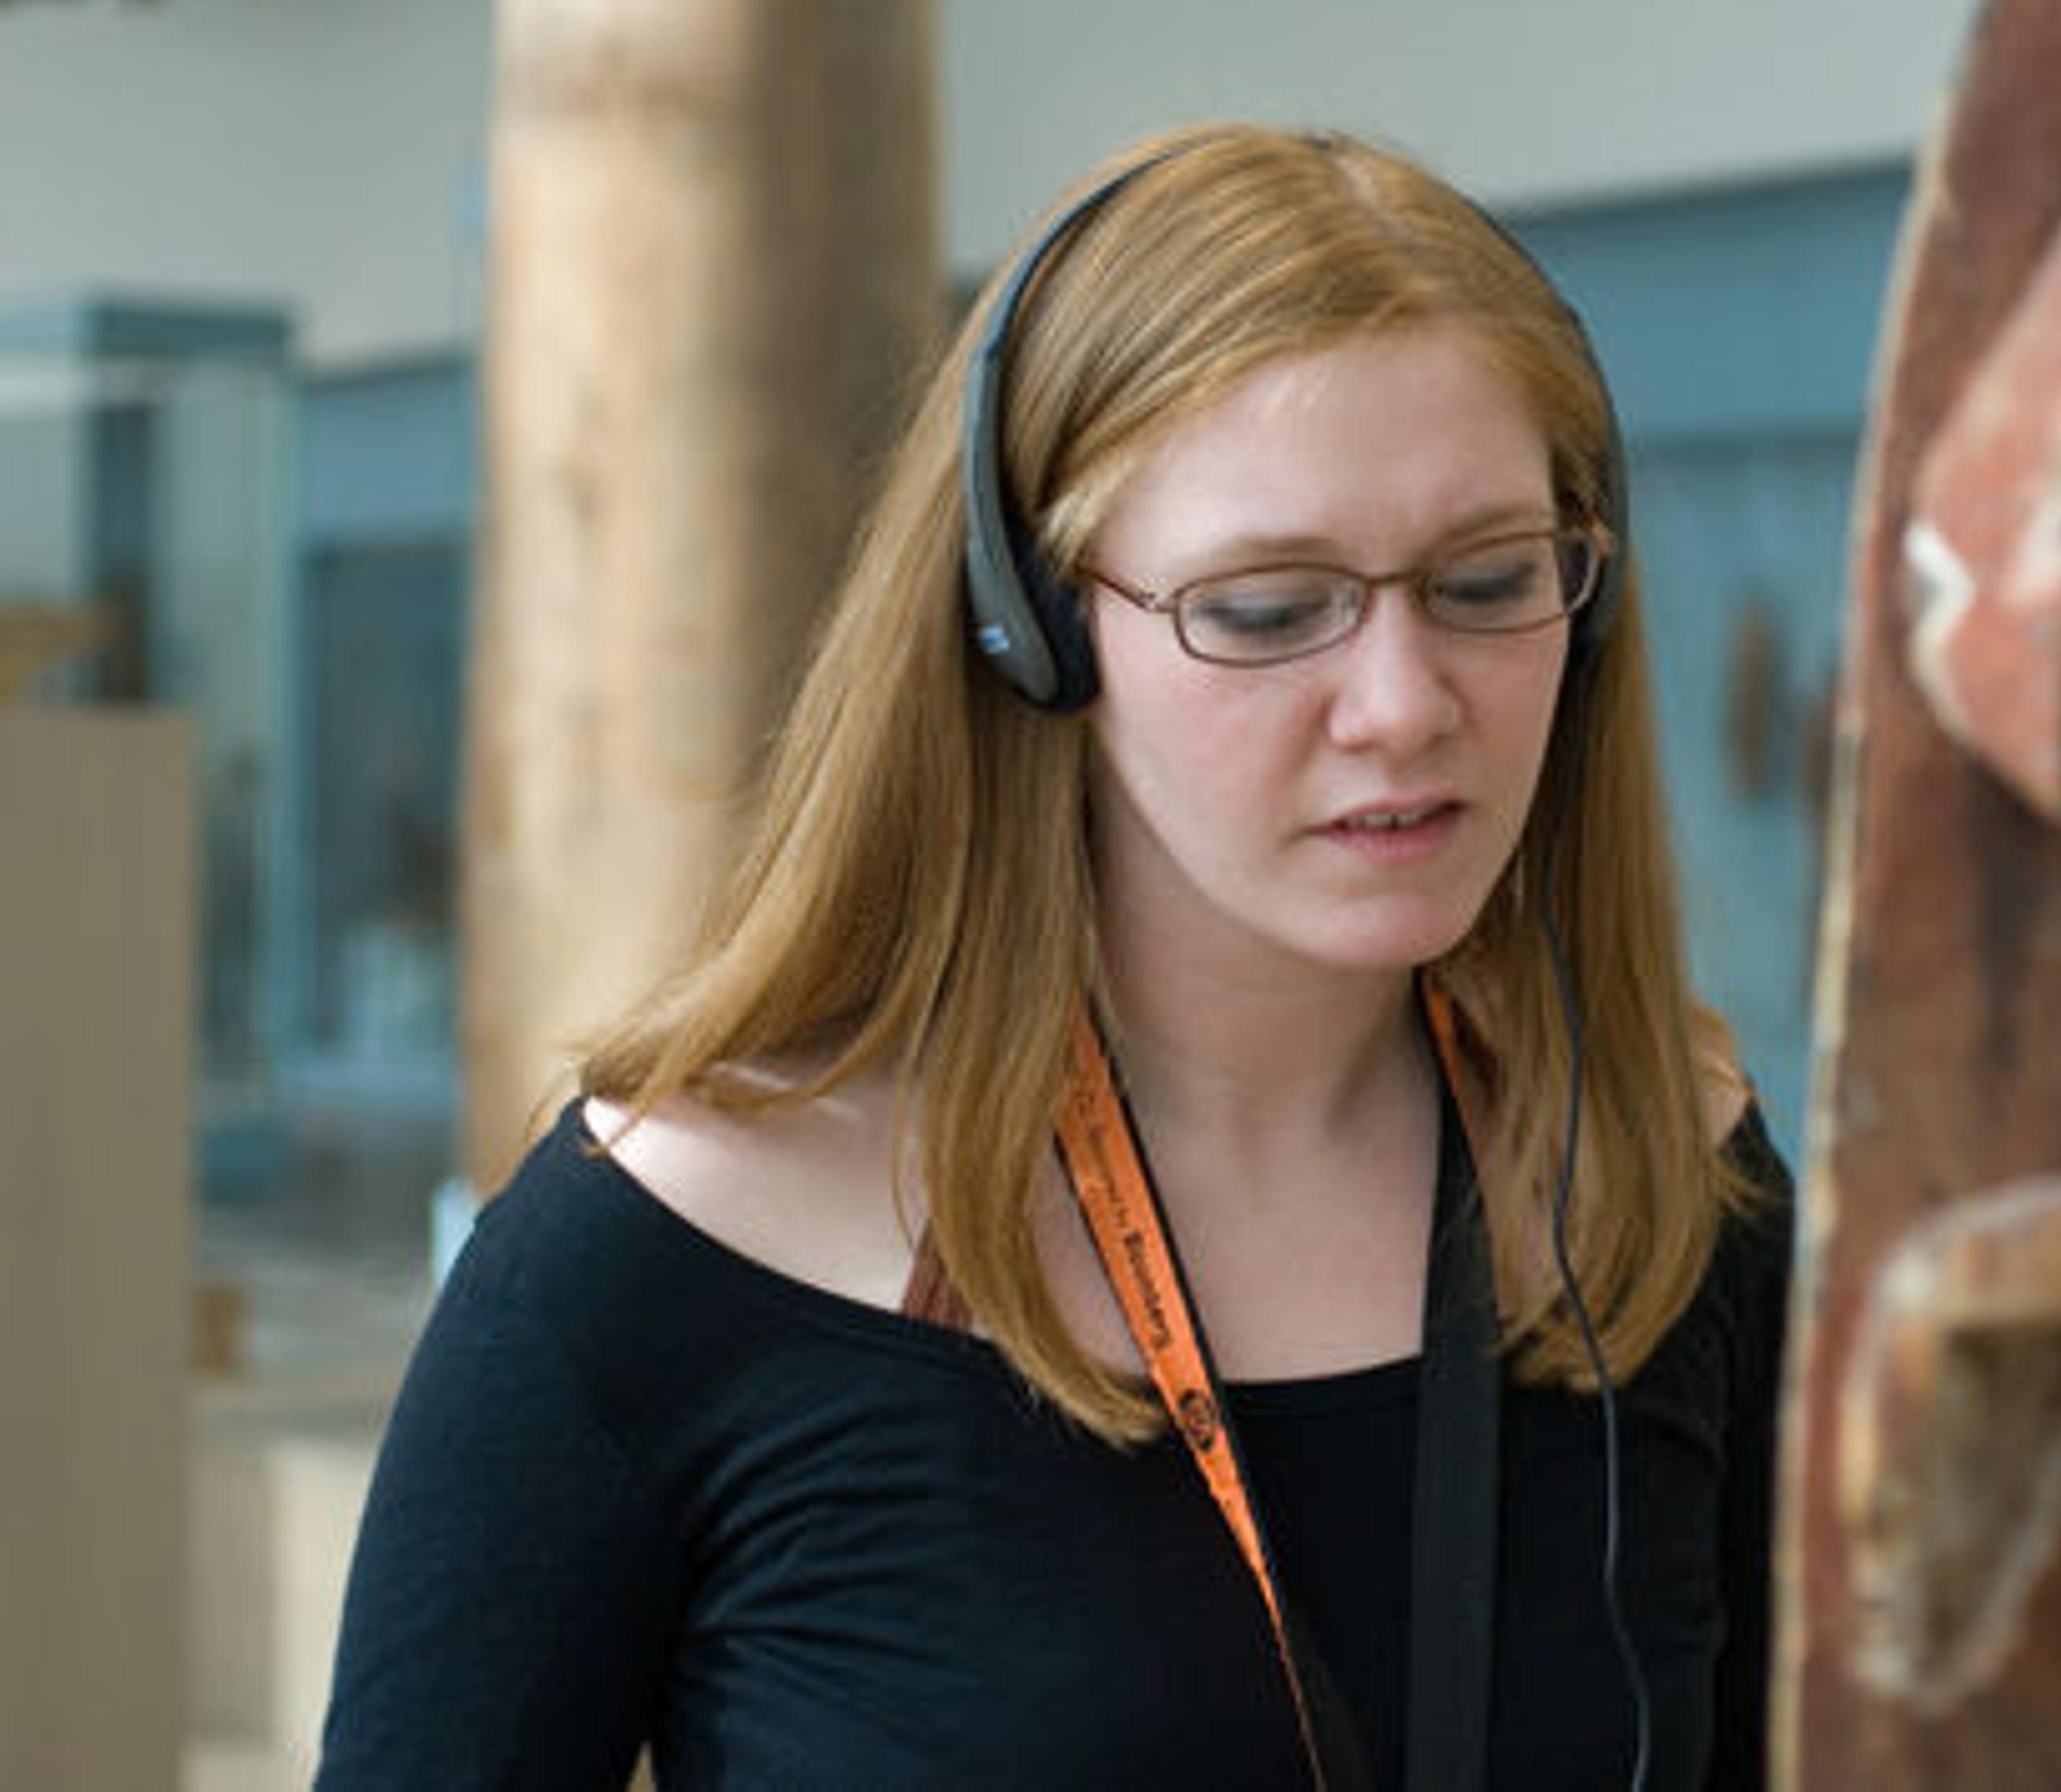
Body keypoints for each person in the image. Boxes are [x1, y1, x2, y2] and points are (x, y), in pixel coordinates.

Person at [317, 124, 1792, 1789]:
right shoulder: (665, 1250)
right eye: (1266, 608)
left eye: (1488, 581)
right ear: (1028, 627)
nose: (1403, 705)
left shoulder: (1665, 1169)